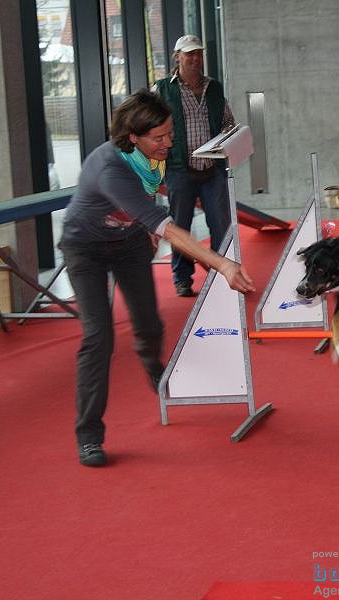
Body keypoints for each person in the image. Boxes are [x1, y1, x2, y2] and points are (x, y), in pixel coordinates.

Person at [58, 90, 255, 467]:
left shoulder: (151, 158)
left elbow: (156, 192)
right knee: (98, 337)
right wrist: (222, 264)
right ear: (133, 136)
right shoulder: (111, 169)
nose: (168, 143)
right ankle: (89, 436)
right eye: (159, 138)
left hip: (127, 241)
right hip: (84, 247)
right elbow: (169, 227)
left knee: (149, 324)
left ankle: (153, 368)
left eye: (170, 134)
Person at [153, 34, 235, 297]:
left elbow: (228, 123)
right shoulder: (161, 89)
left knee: (220, 224)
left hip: (213, 170)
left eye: (198, 53)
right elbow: (147, 123)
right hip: (179, 170)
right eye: (189, 54)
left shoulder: (214, 88)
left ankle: (222, 274)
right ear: (177, 57)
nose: (195, 58)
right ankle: (182, 278)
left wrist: (230, 137)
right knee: (181, 226)